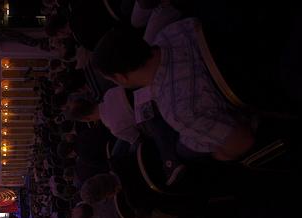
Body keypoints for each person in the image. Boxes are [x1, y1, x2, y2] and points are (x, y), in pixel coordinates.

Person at [92, 20, 255, 161]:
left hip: (257, 98)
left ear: (120, 78)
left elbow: (243, 142)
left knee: (183, 150)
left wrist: (221, 155)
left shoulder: (177, 112)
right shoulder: (173, 31)